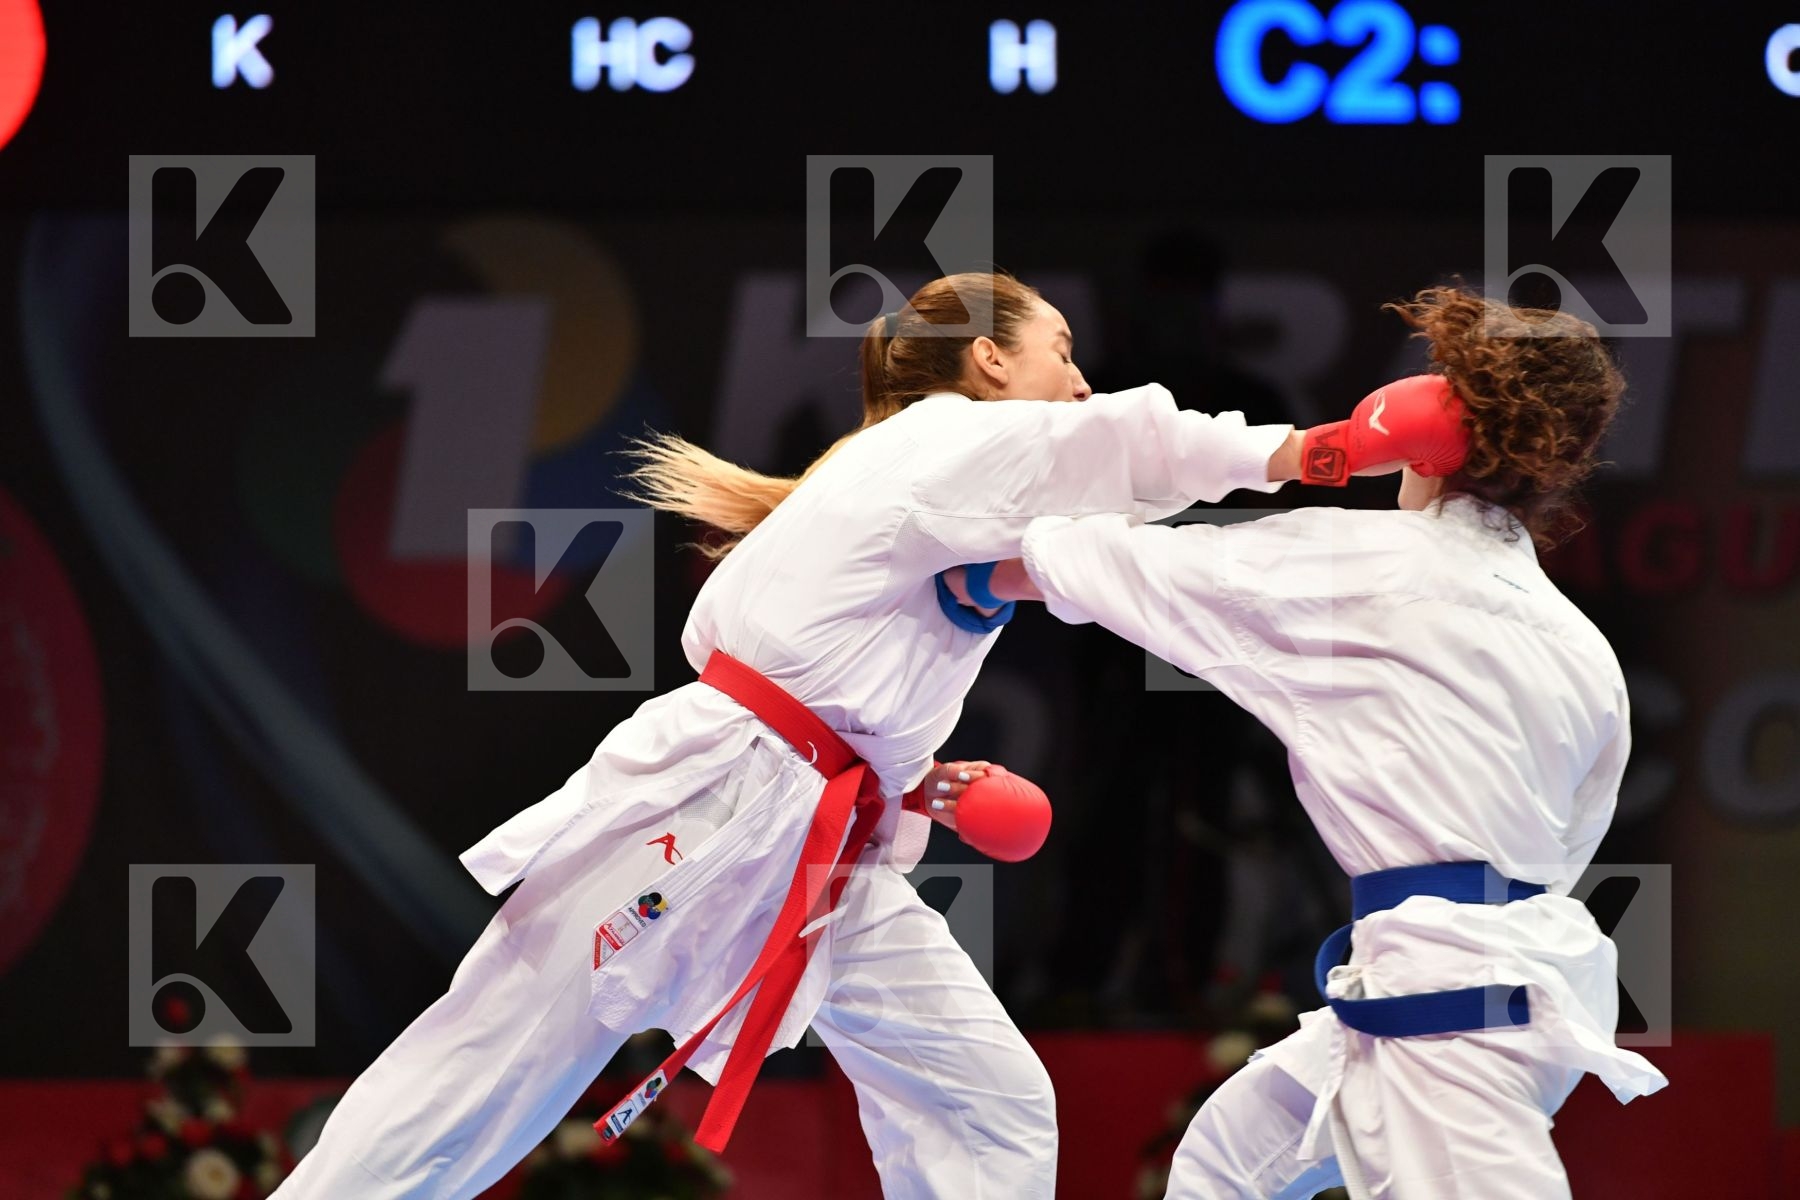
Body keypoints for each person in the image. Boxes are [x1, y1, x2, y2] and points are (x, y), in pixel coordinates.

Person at [273, 271, 1306, 1200]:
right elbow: (1130, 445)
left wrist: (906, 778)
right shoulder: (946, 437)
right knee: (482, 1074)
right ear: (989, 358)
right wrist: (1308, 451)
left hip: (818, 840)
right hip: (708, 804)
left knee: (986, 1103)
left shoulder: (916, 480)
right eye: (1061, 352)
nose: (1079, 383)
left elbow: (996, 596)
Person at [953, 286, 1668, 1198]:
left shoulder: (1366, 570)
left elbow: (1122, 564)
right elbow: (1571, 841)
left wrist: (946, 551)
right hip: (1486, 982)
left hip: (1447, 1010)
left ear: (1431, 433)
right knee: (1222, 1168)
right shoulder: (1582, 648)